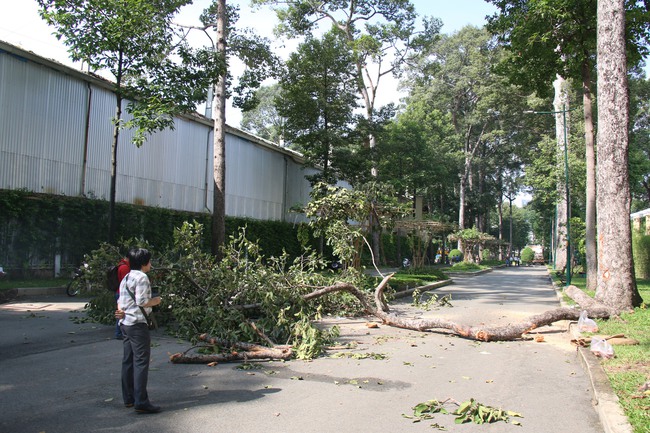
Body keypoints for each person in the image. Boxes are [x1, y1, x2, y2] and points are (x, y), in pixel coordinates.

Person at [115, 248, 162, 414]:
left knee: (128, 360)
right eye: (149, 261)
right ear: (143, 263)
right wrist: (157, 300)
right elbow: (143, 301)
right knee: (141, 362)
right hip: (137, 324)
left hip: (125, 323)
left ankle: (129, 398)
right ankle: (141, 401)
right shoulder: (142, 277)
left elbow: (120, 300)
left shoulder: (127, 276)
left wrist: (120, 311)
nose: (150, 264)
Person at [114, 253, 131, 340]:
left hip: (119, 292)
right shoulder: (124, 267)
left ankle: (120, 332)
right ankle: (119, 333)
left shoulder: (122, 265)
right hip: (122, 293)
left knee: (121, 312)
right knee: (121, 313)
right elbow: (127, 282)